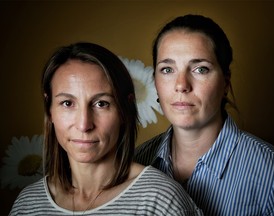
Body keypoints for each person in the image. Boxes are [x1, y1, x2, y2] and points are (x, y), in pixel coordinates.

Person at [9, 42, 203, 216]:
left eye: (101, 104)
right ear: (49, 109)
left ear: (124, 111)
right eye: (67, 103)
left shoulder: (160, 201)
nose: (84, 125)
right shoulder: (27, 204)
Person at [134, 14, 274, 215]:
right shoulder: (136, 163)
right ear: (155, 81)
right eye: (168, 69)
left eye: (200, 69)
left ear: (225, 83)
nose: (181, 85)